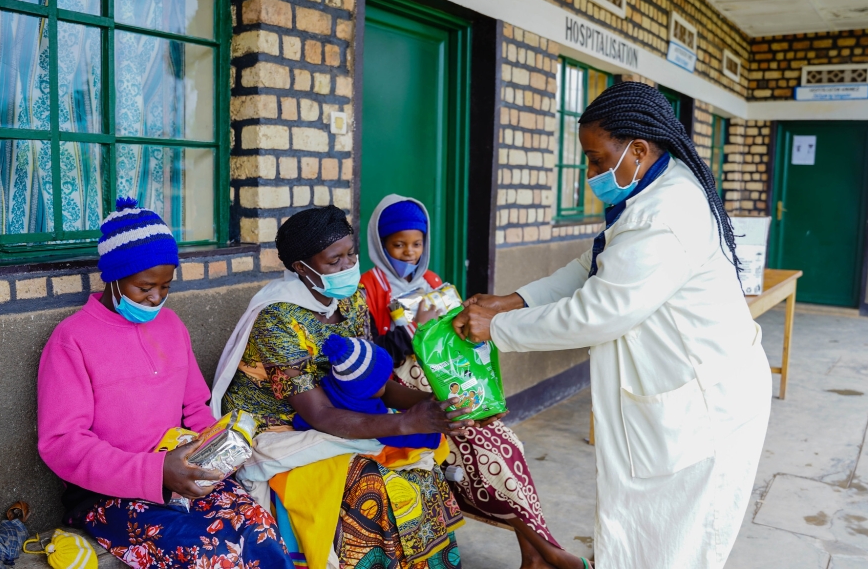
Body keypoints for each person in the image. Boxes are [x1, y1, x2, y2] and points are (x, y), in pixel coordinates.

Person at [453, 82, 772, 569]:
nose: (590, 174)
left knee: (673, 550)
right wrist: (511, 300)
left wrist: (496, 329)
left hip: (703, 414)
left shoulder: (666, 215)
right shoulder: (652, 190)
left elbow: (598, 313)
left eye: (598, 160)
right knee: (644, 539)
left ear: (638, 150)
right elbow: (594, 264)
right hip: (685, 396)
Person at [37, 198, 291, 569]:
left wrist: (221, 450)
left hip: (185, 475)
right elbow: (62, 444)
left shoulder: (171, 327)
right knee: (210, 552)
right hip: (107, 495)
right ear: (114, 278)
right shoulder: (71, 340)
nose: (156, 298)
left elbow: (196, 409)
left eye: (165, 286)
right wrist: (155, 473)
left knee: (259, 529)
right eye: (144, 287)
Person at [212, 206, 468, 569]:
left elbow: (371, 383)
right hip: (278, 428)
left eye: (351, 254)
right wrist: (408, 422)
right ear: (302, 268)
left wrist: (435, 403)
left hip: (340, 413)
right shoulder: (278, 319)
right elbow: (318, 415)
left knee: (420, 471)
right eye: (335, 260)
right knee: (373, 485)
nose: (348, 266)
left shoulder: (351, 299)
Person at [361, 195, 590, 569]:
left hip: (446, 384)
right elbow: (370, 359)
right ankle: (548, 551)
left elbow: (457, 350)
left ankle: (536, 553)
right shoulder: (367, 288)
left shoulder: (434, 282)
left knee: (505, 445)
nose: (409, 253)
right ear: (380, 244)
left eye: (417, 244)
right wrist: (401, 336)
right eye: (398, 244)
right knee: (485, 454)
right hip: (403, 393)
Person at [292, 334, 443, 450]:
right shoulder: (362, 407)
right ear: (367, 390)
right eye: (382, 383)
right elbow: (391, 436)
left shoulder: (337, 383)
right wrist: (431, 436)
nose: (387, 384)